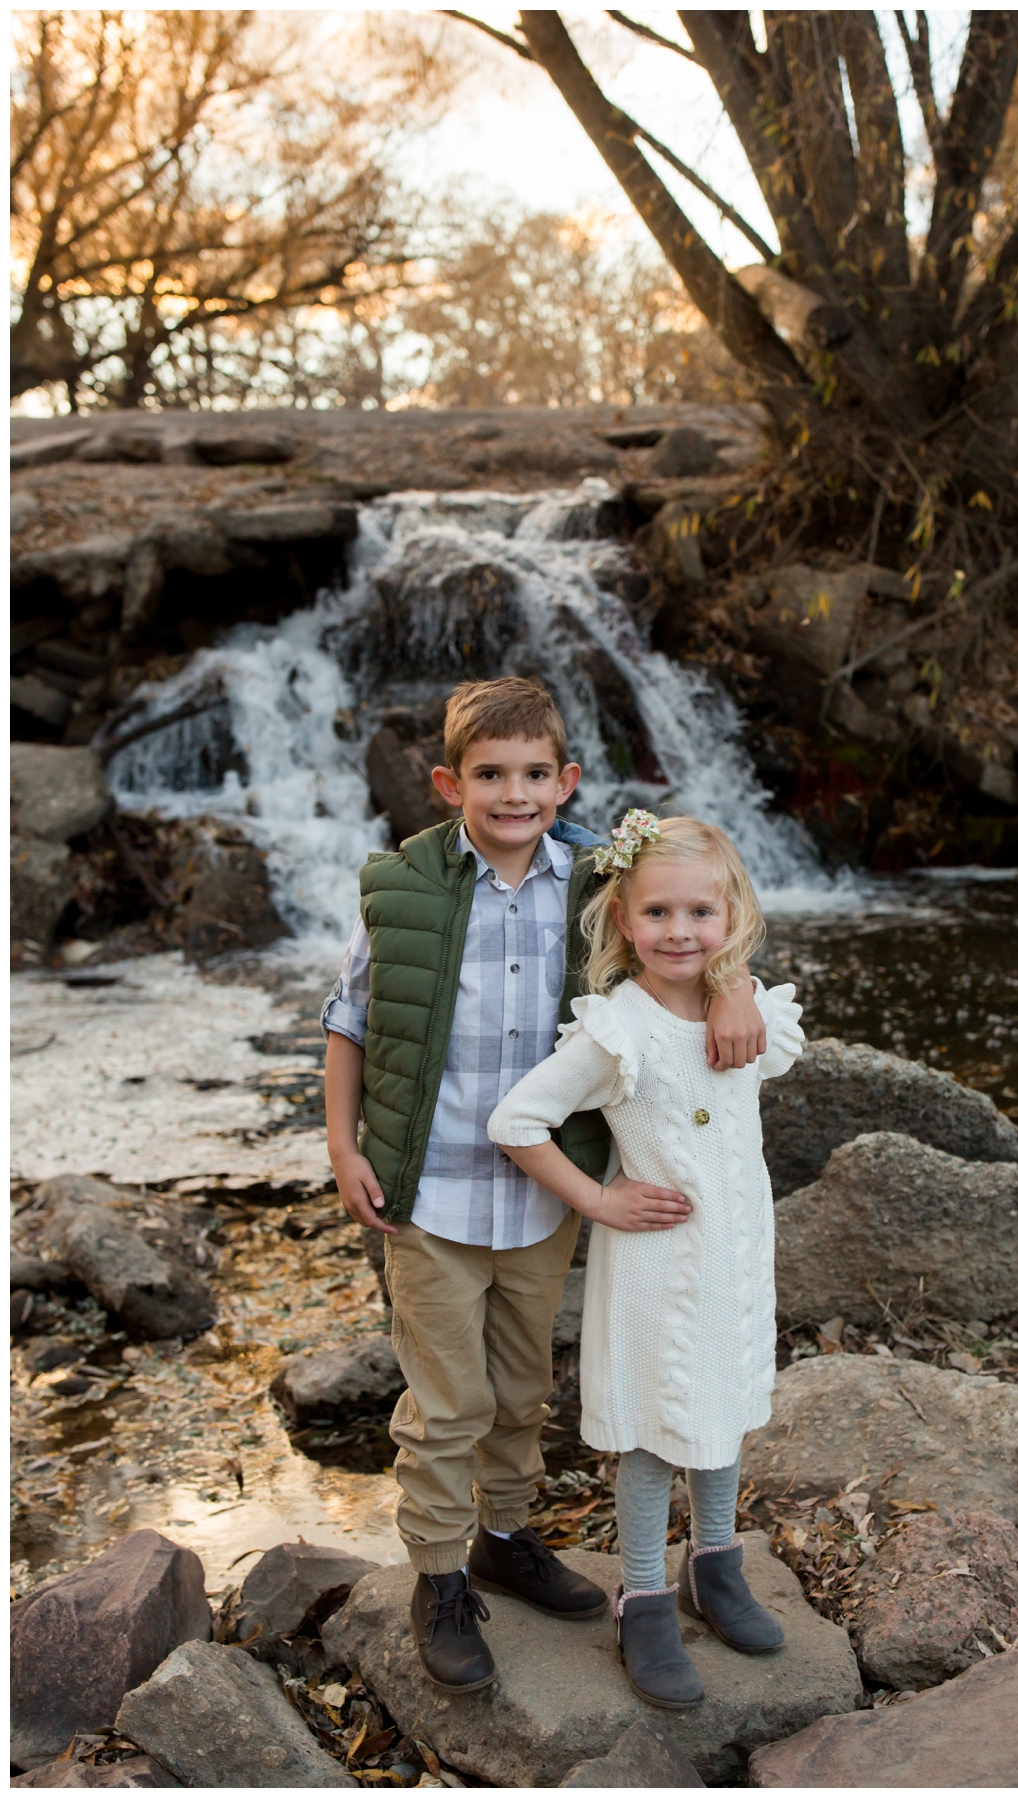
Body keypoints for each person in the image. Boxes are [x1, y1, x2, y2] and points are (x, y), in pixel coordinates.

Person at [322, 676, 766, 1694]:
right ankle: (438, 1579)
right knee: (447, 1401)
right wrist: (345, 1145)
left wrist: (735, 982)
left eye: (533, 773)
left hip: (543, 1194)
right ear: (449, 782)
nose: (512, 793)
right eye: (489, 775)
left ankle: (506, 1538)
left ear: (566, 782)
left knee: (522, 1387)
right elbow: (348, 1021)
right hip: (427, 1190)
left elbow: (689, 930)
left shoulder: (592, 883)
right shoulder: (405, 887)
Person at [487, 811, 806, 1710]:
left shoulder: (744, 1012)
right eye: (658, 913)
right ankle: (644, 1595)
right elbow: (516, 1121)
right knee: (653, 1430)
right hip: (659, 1263)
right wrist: (595, 1199)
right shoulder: (614, 1032)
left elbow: (742, 1048)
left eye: (700, 913)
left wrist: (733, 979)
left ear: (731, 917)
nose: (679, 931)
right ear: (624, 921)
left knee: (724, 1404)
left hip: (736, 1252)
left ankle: (715, 1566)